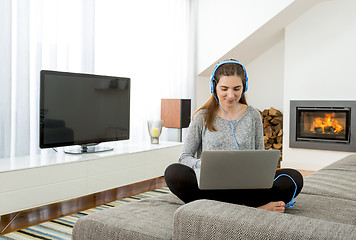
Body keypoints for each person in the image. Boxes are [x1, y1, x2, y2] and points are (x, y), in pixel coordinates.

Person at [164, 59, 303, 213]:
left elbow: (260, 155)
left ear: (244, 87)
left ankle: (222, 207)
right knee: (174, 172)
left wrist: (261, 174)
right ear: (214, 87)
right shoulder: (202, 116)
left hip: (248, 187)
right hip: (212, 187)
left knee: (294, 177)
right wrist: (204, 165)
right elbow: (184, 157)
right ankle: (252, 208)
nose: (231, 95)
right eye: (224, 88)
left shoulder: (253, 115)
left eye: (237, 88)